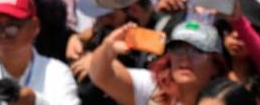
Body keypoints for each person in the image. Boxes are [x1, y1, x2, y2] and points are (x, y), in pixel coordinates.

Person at [89, 20, 229, 105]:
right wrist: (107, 49)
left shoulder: (229, 100)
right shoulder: (154, 88)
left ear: (215, 66)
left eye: (197, 50)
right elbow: (102, 76)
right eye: (177, 49)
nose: (185, 58)